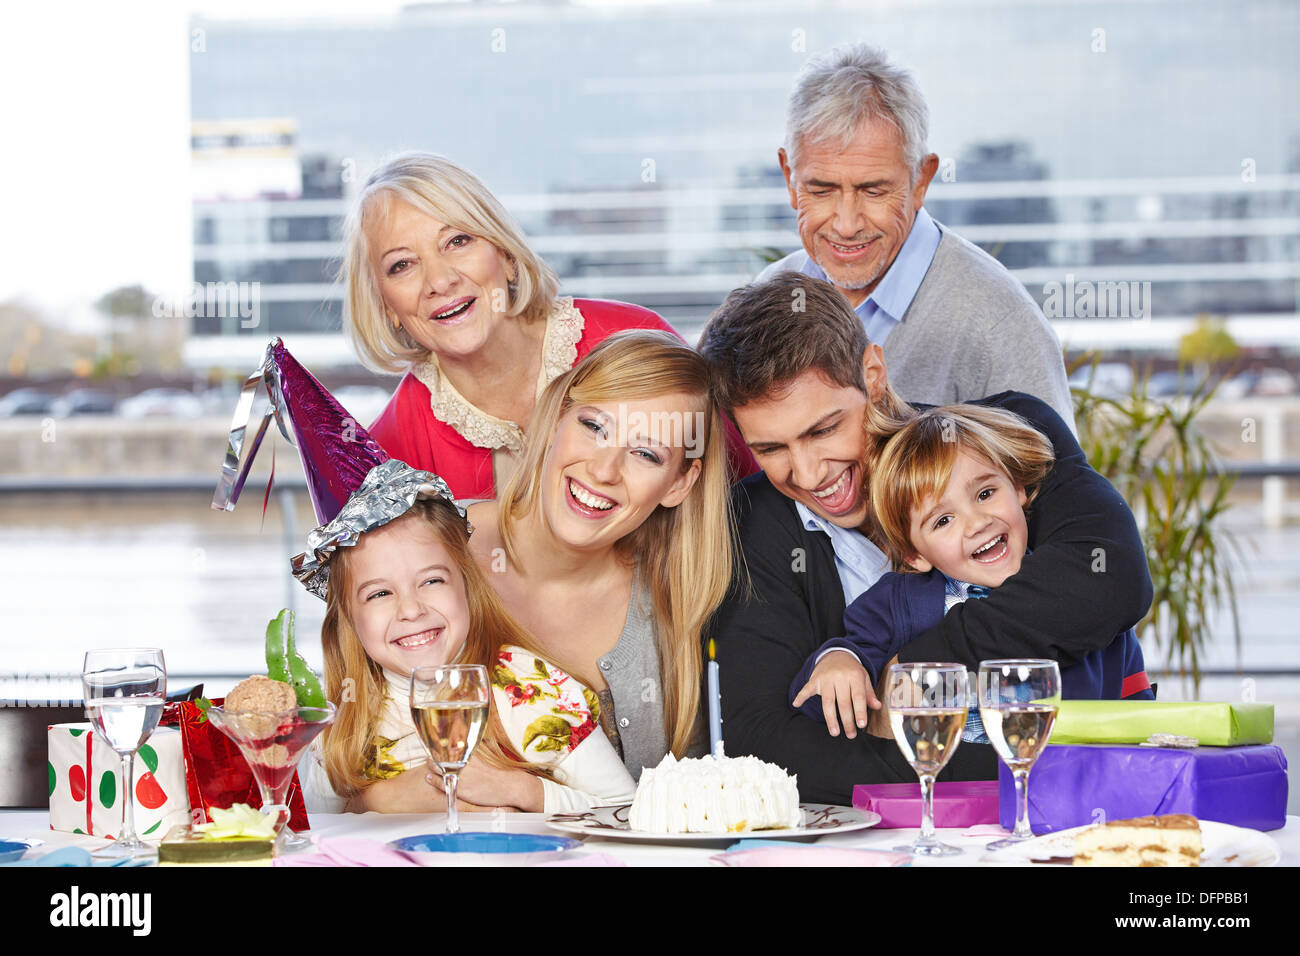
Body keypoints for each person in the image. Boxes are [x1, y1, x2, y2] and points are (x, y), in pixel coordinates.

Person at [697, 273, 1153, 805]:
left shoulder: (1000, 437)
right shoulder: (754, 523)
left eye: (823, 430)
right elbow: (770, 749)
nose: (809, 472)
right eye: (772, 448)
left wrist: (915, 669)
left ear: (873, 375)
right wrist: (1010, 767)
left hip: (1086, 808)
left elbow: (1110, 581)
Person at [341, 152, 754, 498]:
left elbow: (749, 499)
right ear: (386, 304)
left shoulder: (634, 337)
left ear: (503, 253)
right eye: (402, 265)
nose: (440, 281)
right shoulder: (386, 454)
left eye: (457, 241)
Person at [463, 330, 736, 781]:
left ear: (679, 484)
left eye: (646, 453)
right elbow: (347, 781)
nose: (603, 470)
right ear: (556, 419)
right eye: (594, 427)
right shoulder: (433, 546)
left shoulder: (677, 610)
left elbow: (686, 822)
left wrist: (536, 801)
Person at [756, 43, 1074, 426]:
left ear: (921, 179)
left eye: (873, 191)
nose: (845, 224)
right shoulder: (764, 301)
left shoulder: (998, 325)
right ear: (789, 177)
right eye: (821, 190)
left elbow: (1055, 483)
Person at [790, 405, 1153, 740]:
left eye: (985, 493)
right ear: (915, 555)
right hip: (950, 794)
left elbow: (1137, 719)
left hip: (1063, 791)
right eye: (944, 520)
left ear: (1018, 488)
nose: (977, 523)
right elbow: (838, 678)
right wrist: (839, 661)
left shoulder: (1078, 594)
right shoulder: (897, 601)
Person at [296, 459, 636, 814]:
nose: (411, 609)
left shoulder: (533, 687)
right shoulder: (339, 720)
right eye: (379, 594)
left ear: (467, 586)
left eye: (431, 581)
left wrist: (526, 792)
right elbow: (315, 836)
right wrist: (371, 802)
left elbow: (626, 811)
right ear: (349, 618)